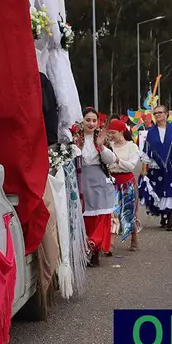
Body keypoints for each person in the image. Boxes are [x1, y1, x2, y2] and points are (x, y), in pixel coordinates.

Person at [73, 107, 118, 266]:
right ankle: (87, 248)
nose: (91, 123)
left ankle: (95, 247)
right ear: (82, 121)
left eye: (94, 120)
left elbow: (111, 160)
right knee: (85, 216)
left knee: (101, 216)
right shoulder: (76, 139)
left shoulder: (102, 138)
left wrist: (101, 146)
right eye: (88, 120)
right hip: (81, 180)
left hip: (99, 181)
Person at [107, 119, 141, 251]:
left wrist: (116, 160)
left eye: (113, 133)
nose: (111, 136)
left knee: (129, 211)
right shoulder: (109, 145)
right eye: (109, 133)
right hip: (112, 182)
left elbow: (131, 165)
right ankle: (111, 244)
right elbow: (107, 164)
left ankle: (133, 237)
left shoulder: (132, 146)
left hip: (127, 182)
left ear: (121, 132)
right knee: (112, 212)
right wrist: (117, 162)